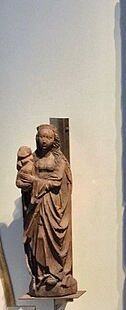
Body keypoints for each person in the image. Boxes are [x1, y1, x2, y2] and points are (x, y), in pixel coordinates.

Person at [16, 124, 78, 297]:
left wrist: (34, 180)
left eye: (47, 137)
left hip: (53, 204)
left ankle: (57, 274)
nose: (43, 140)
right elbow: (22, 178)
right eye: (41, 137)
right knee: (38, 238)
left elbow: (56, 181)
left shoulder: (60, 160)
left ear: (54, 140)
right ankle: (41, 274)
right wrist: (26, 182)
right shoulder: (32, 158)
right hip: (36, 205)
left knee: (54, 240)